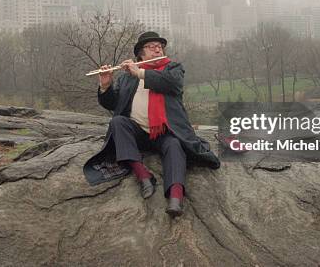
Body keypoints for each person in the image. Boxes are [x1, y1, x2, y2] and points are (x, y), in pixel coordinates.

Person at [83, 31, 220, 217]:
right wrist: (105, 86)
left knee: (174, 145)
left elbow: (171, 84)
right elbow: (114, 104)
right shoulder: (126, 77)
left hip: (166, 132)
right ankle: (143, 176)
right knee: (117, 122)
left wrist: (140, 72)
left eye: (160, 46)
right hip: (138, 132)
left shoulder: (173, 68)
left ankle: (176, 196)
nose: (158, 49)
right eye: (152, 46)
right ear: (141, 53)